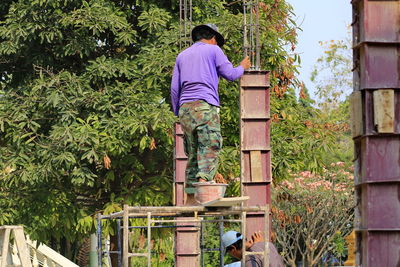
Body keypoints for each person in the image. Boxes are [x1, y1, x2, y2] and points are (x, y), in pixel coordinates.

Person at [171, 23, 251, 205]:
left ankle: (191, 198)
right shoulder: (214, 51)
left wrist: (179, 112)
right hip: (204, 104)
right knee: (209, 145)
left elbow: (174, 88)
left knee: (192, 151)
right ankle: (204, 184)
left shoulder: (182, 56)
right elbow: (230, 74)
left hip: (185, 109)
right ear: (213, 38)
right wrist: (242, 66)